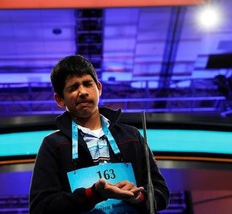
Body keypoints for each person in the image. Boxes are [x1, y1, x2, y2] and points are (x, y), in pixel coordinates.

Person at [29, 55, 170, 214]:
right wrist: (92, 194)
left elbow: (161, 194)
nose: (82, 92)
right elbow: (40, 208)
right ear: (60, 99)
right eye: (73, 87)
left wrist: (138, 197)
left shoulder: (132, 136)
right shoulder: (53, 144)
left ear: (99, 88)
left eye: (87, 84)